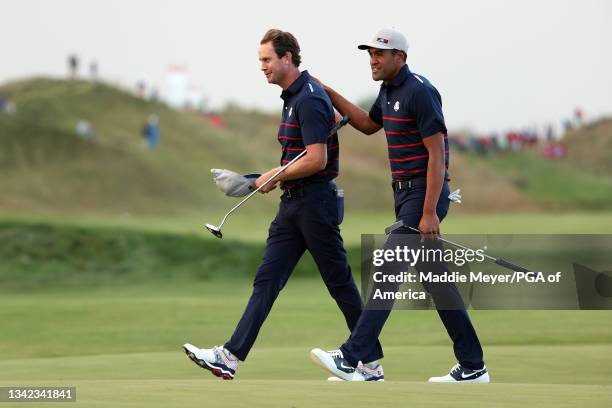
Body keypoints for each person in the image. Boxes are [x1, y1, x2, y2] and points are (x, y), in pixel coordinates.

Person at [182, 29, 384, 381]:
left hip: (315, 204)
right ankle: (229, 356)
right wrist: (261, 178)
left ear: (287, 58)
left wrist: (273, 176)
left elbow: (317, 159)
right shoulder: (292, 97)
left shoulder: (308, 99)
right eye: (260, 60)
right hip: (293, 205)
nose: (262, 67)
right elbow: (298, 158)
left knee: (339, 283)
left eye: (267, 60)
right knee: (267, 280)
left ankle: (369, 363)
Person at [309, 27, 489, 383]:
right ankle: (472, 365)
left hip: (425, 195)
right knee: (438, 283)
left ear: (399, 58)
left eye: (379, 54)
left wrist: (429, 212)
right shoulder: (388, 90)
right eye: (370, 54)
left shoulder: (419, 92)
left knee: (388, 272)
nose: (373, 60)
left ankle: (352, 358)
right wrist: (328, 93)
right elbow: (367, 124)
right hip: (405, 195)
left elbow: (437, 155)